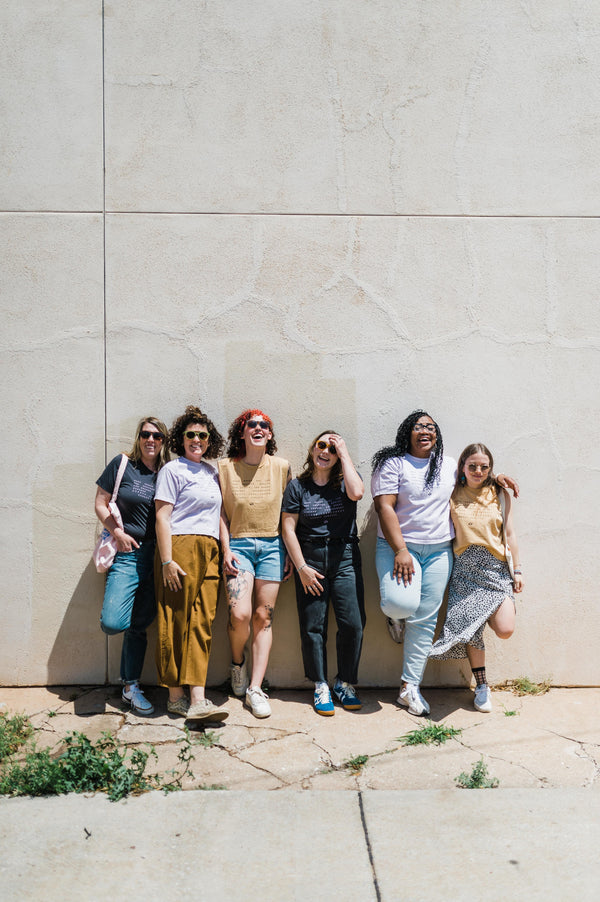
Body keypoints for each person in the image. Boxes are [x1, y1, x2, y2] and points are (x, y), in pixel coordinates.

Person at [371, 410, 518, 716]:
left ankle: (408, 688)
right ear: (406, 433)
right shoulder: (393, 464)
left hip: (439, 551)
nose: (425, 431)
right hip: (400, 548)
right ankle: (396, 616)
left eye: (431, 426)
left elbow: (474, 476)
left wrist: (498, 478)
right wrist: (400, 549)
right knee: (401, 604)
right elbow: (384, 507)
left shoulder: (448, 465)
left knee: (425, 620)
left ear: (437, 434)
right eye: (418, 426)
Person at [429, 443, 522, 712]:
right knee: (472, 630)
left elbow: (511, 534)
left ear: (490, 469)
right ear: (462, 468)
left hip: (496, 570)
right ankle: (482, 686)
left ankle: (497, 606)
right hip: (465, 571)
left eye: (484, 467)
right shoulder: (451, 492)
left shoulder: (500, 493)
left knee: (505, 629)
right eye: (472, 466)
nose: (478, 471)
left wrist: (517, 569)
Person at [281, 431, 365, 715]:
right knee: (313, 626)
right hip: (311, 560)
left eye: (333, 447)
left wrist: (345, 453)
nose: (326, 451)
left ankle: (344, 682)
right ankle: (320, 685)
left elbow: (358, 493)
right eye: (322, 445)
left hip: (345, 559)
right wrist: (302, 567)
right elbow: (288, 529)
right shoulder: (297, 487)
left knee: (353, 624)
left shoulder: (345, 483)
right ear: (312, 449)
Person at [154, 405, 229, 722]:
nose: (197, 439)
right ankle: (175, 695)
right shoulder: (173, 470)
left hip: (210, 549)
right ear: (181, 439)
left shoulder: (212, 473)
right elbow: (162, 516)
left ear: (209, 439)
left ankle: (198, 699)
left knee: (202, 622)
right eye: (191, 435)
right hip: (181, 546)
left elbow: (220, 516)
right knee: (176, 619)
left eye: (202, 435)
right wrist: (167, 560)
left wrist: (226, 549)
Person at [218, 409, 291, 718]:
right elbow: (219, 512)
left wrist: (289, 552)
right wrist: (225, 550)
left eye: (265, 426)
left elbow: (290, 515)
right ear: (242, 432)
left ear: (269, 435)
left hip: (273, 546)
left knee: (263, 616)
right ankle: (238, 664)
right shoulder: (224, 468)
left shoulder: (281, 467)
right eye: (252, 425)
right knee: (240, 614)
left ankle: (255, 688)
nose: (259, 428)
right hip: (238, 546)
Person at [95, 416, 170, 716]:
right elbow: (100, 503)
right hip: (128, 552)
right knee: (114, 621)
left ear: (164, 441)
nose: (150, 440)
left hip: (156, 556)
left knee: (141, 624)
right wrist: (118, 532)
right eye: (145, 434)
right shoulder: (122, 464)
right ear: (138, 437)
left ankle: (130, 686)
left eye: (157, 436)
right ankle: (129, 681)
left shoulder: (166, 472)